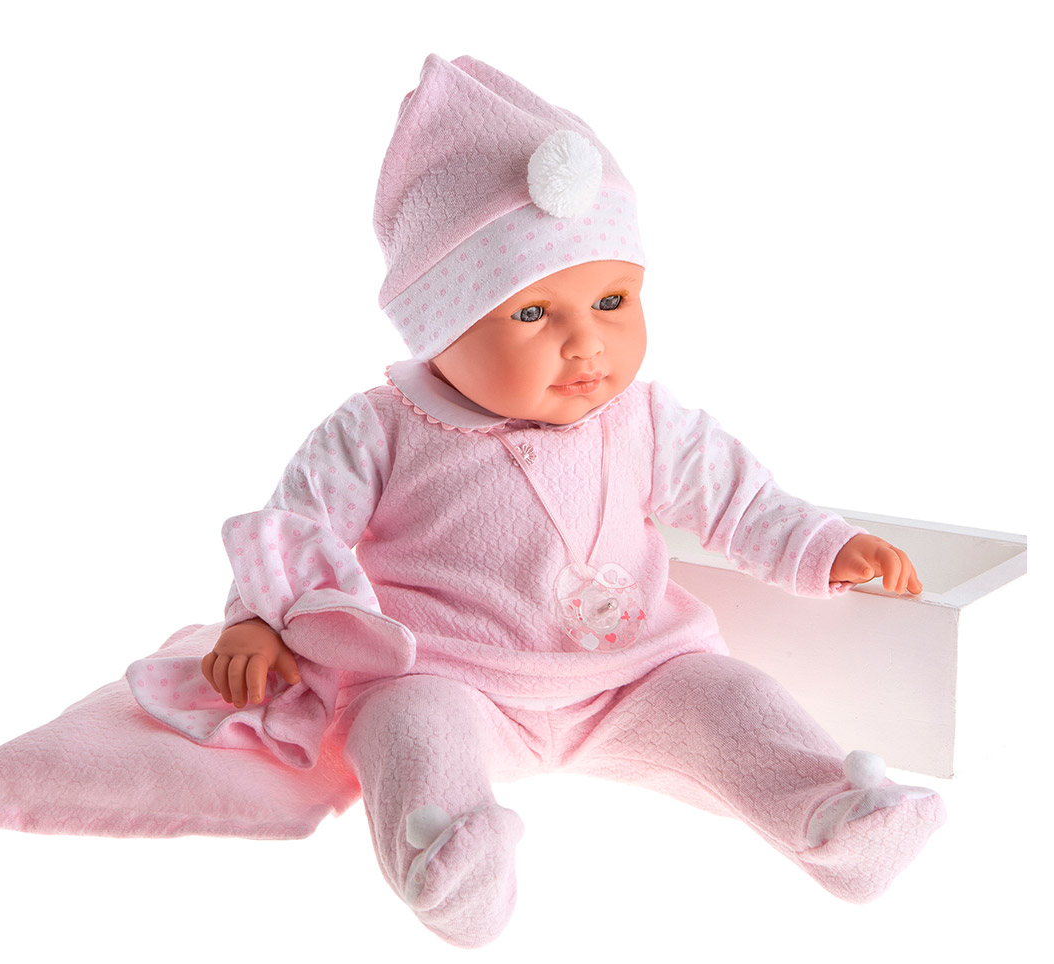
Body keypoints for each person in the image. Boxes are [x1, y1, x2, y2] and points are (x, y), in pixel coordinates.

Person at [132, 54, 945, 947]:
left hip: (635, 675)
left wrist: (820, 545)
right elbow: (299, 526)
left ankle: (835, 815)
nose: (586, 344)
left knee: (733, 699)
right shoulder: (383, 427)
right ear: (441, 326)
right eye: (532, 314)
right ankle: (452, 860)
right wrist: (257, 620)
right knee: (406, 728)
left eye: (611, 300)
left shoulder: (645, 418)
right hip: (450, 674)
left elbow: (738, 500)